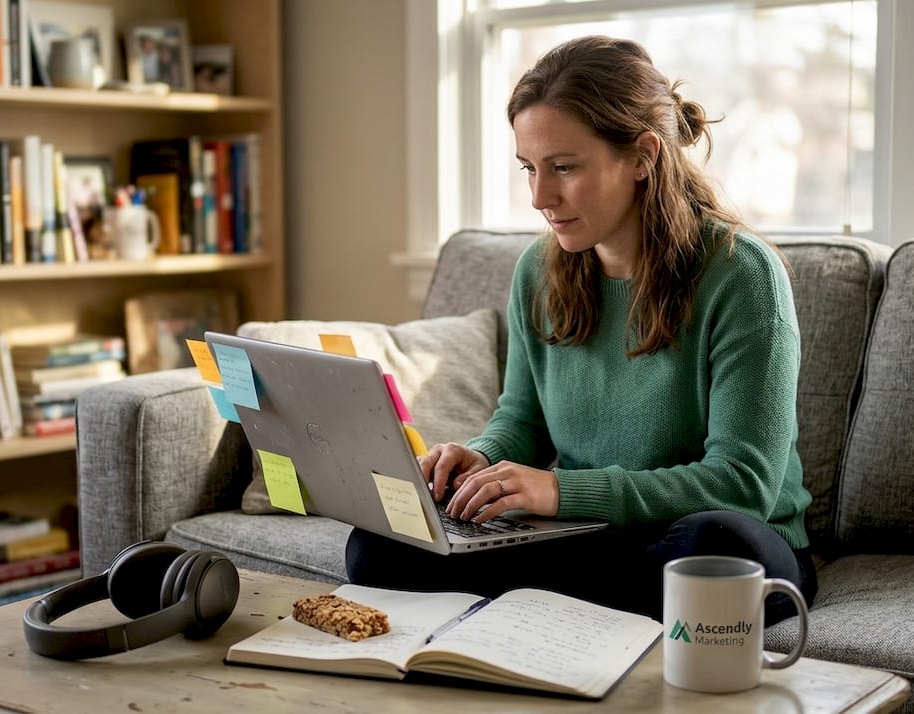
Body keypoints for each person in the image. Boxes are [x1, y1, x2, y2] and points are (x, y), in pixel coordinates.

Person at [345, 35, 816, 622]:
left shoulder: (741, 276)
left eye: (564, 168)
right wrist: (479, 462)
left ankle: (527, 610)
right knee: (376, 546)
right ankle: (565, 614)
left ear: (643, 156)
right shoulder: (537, 272)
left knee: (719, 545)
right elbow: (521, 421)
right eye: (529, 169)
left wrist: (561, 492)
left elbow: (744, 484)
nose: (541, 196)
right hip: (585, 539)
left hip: (717, 542)